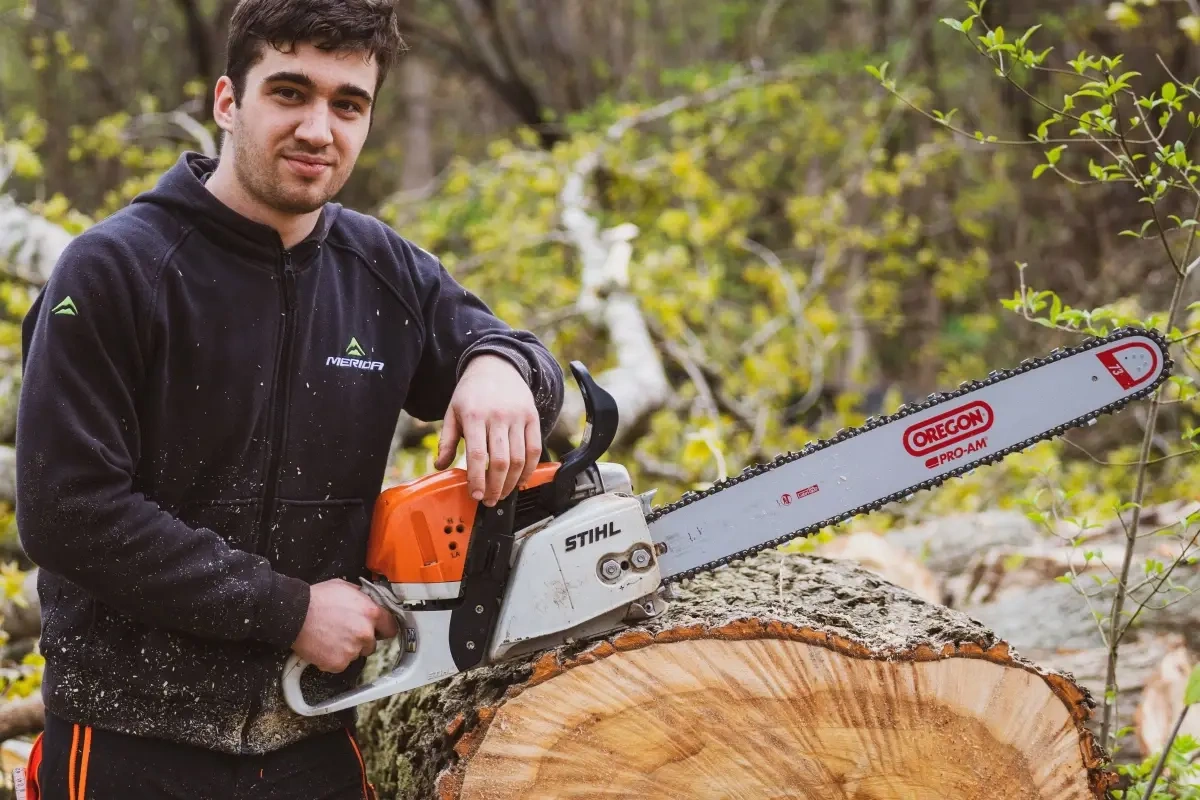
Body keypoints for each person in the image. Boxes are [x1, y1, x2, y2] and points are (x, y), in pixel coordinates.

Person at [13, 1, 565, 797]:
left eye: (348, 105)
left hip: (311, 738)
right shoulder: (117, 271)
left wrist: (501, 368)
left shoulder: (380, 271)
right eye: (290, 93)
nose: (319, 128)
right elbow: (67, 510)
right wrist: (287, 609)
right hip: (131, 737)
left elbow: (513, 349)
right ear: (229, 101)